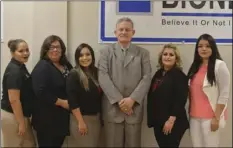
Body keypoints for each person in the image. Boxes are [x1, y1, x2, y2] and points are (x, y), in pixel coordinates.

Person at [98, 17, 151, 147]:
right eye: (120, 29)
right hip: (113, 109)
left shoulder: (143, 53)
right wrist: (119, 101)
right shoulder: (105, 52)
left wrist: (132, 100)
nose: (124, 32)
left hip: (134, 109)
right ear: (115, 32)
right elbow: (103, 77)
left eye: (127, 29)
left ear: (133, 32)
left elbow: (147, 77)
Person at [187, 33, 230, 147]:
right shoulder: (195, 66)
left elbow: (224, 94)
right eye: (200, 46)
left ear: (213, 48)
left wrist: (216, 118)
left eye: (207, 46)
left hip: (210, 117)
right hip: (194, 117)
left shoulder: (219, 65)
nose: (204, 49)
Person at [31, 35, 72, 147]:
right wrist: (62, 103)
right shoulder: (42, 67)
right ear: (45, 50)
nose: (55, 50)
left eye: (58, 47)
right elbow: (40, 92)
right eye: (51, 47)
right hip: (46, 121)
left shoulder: (65, 64)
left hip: (61, 120)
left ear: (62, 49)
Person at [147, 44, 189, 147]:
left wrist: (171, 120)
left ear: (176, 59)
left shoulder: (179, 75)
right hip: (159, 121)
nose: (168, 57)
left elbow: (180, 99)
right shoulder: (159, 73)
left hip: (173, 122)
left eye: (171, 55)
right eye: (165, 54)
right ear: (161, 57)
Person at [1, 39, 36, 147]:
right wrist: (21, 123)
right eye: (21, 51)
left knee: (29, 144)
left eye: (27, 50)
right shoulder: (14, 71)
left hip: (21, 116)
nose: (25, 53)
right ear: (12, 53)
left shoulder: (20, 66)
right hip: (13, 117)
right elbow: (14, 100)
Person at [66, 43, 102, 147]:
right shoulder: (74, 74)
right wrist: (81, 122)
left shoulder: (96, 72)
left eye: (88, 54)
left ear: (92, 56)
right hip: (81, 119)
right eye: (81, 55)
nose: (85, 58)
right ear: (77, 58)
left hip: (95, 119)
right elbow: (73, 101)